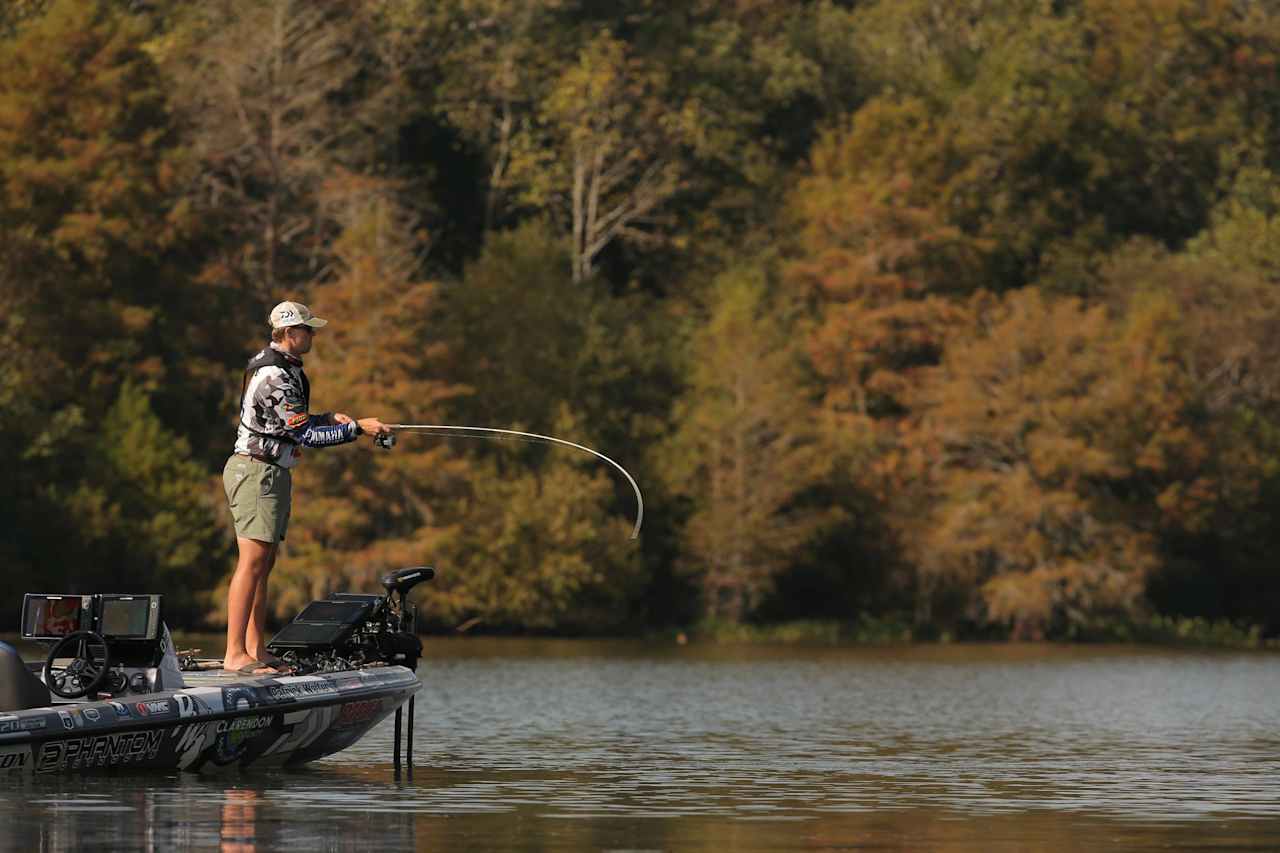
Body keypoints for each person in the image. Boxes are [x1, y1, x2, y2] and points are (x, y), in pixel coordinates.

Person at [221, 300, 392, 674]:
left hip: (270, 472)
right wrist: (356, 429)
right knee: (251, 562)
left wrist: (330, 417)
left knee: (264, 563)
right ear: (288, 333)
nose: (312, 335)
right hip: (255, 472)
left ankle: (255, 648)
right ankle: (235, 653)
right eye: (307, 329)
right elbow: (306, 435)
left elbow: (292, 422)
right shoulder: (274, 376)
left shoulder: (285, 369)